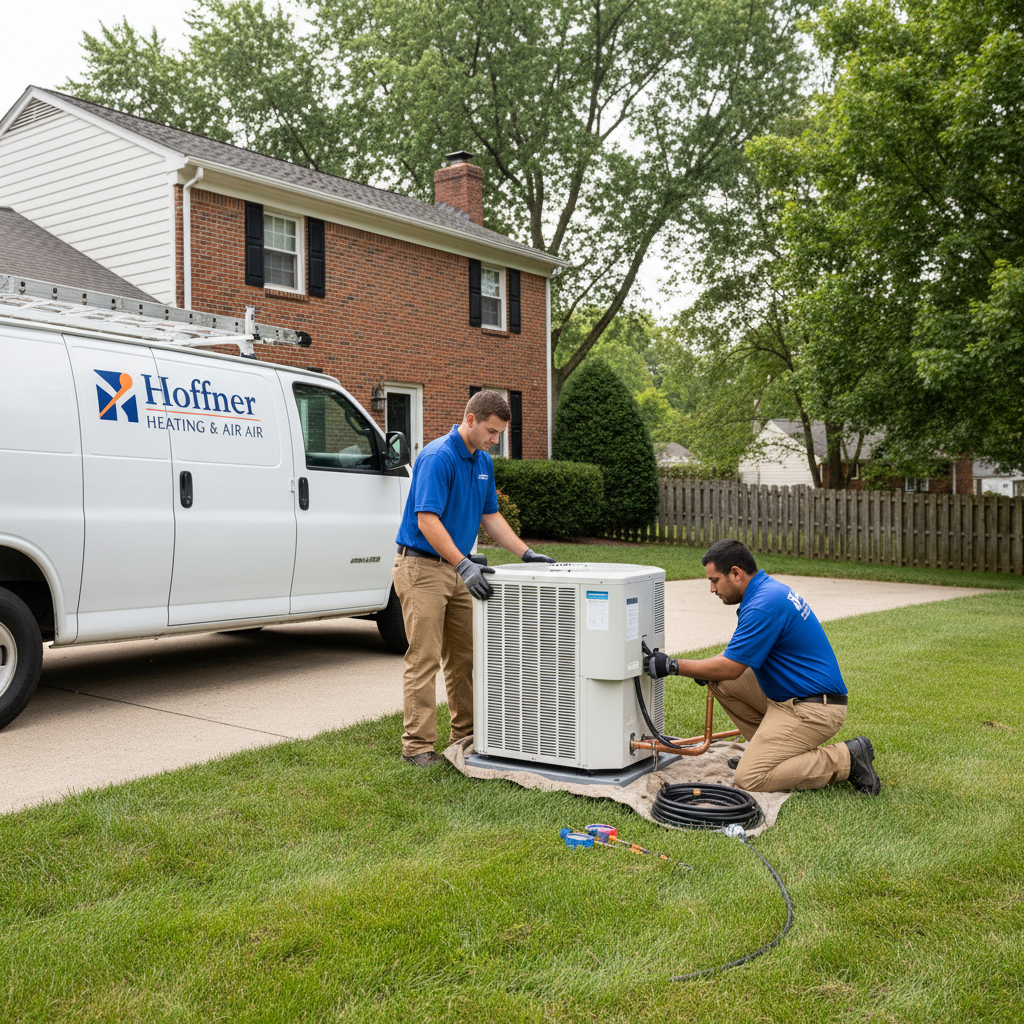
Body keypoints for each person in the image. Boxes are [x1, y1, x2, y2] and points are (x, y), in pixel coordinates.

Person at [392, 390, 554, 766]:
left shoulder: (482, 462)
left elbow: (490, 516)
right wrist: (463, 563)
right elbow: (427, 520)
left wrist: (526, 553)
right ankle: (416, 747)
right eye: (492, 432)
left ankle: (465, 734)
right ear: (470, 420)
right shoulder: (438, 456)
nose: (496, 441)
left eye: (499, 434)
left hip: (457, 570)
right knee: (424, 658)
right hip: (422, 569)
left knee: (464, 657)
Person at [646, 538, 881, 795]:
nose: (712, 589)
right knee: (721, 682)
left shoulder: (763, 605)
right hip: (795, 697)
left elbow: (731, 667)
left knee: (750, 777)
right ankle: (768, 754)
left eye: (714, 580)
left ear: (735, 573)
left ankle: (848, 757)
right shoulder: (766, 591)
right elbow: (736, 654)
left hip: (815, 709)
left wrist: (672, 666)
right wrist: (704, 667)